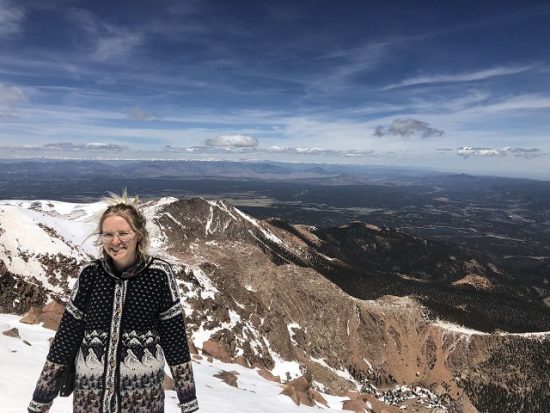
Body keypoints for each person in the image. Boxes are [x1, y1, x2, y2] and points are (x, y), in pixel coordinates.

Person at [28, 192, 198, 413]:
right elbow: (66, 338)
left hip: (142, 400)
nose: (115, 241)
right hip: (90, 400)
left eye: (123, 233)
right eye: (108, 234)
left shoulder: (159, 275)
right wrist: (42, 399)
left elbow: (174, 338)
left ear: (139, 235)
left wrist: (188, 401)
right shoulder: (91, 275)